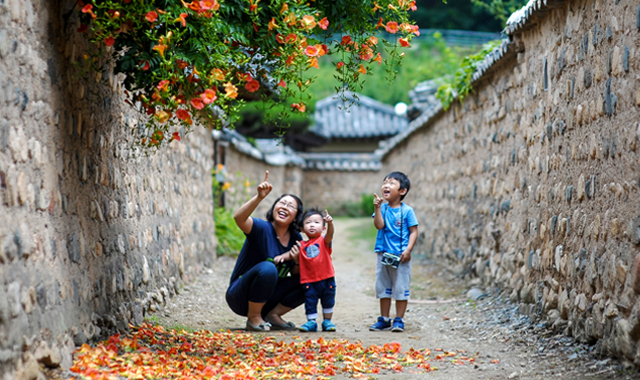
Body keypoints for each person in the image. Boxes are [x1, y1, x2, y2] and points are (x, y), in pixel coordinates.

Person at [225, 171, 305, 332]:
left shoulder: (296, 238)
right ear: (274, 207)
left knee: (311, 280)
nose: (284, 207)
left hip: (269, 297)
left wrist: (296, 260)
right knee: (268, 268)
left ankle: (273, 316)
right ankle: (253, 318)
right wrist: (259, 197)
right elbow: (239, 218)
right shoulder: (262, 228)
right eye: (281, 203)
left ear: (296, 217)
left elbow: (296, 275)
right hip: (240, 295)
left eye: (290, 206)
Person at [369, 171, 418, 333]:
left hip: (401, 256)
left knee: (400, 287)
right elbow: (379, 225)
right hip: (383, 254)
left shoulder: (408, 211)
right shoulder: (382, 209)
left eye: (391, 183)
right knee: (383, 287)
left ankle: (399, 319)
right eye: (385, 182)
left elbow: (414, 231)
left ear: (402, 191)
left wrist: (408, 250)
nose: (386, 185)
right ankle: (384, 319)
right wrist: (377, 208)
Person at [275, 208, 336, 332]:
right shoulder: (302, 245)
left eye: (316, 222)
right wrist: (282, 257)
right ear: (302, 229)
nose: (312, 225)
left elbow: (330, 234)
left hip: (327, 279)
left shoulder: (324, 241)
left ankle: (327, 321)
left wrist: (330, 224)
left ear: (323, 228)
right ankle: (311, 322)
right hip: (309, 281)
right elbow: (290, 253)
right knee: (310, 301)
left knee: (328, 300)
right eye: (308, 222)